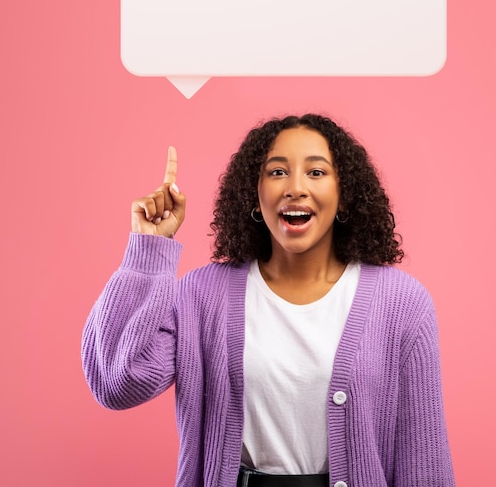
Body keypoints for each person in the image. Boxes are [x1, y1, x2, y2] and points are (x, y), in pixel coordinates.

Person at [82, 114, 455, 487]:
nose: (295, 187)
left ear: (344, 195)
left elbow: (425, 462)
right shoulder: (201, 296)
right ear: (255, 197)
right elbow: (117, 381)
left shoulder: (403, 304)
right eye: (277, 172)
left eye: (316, 172)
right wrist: (149, 249)